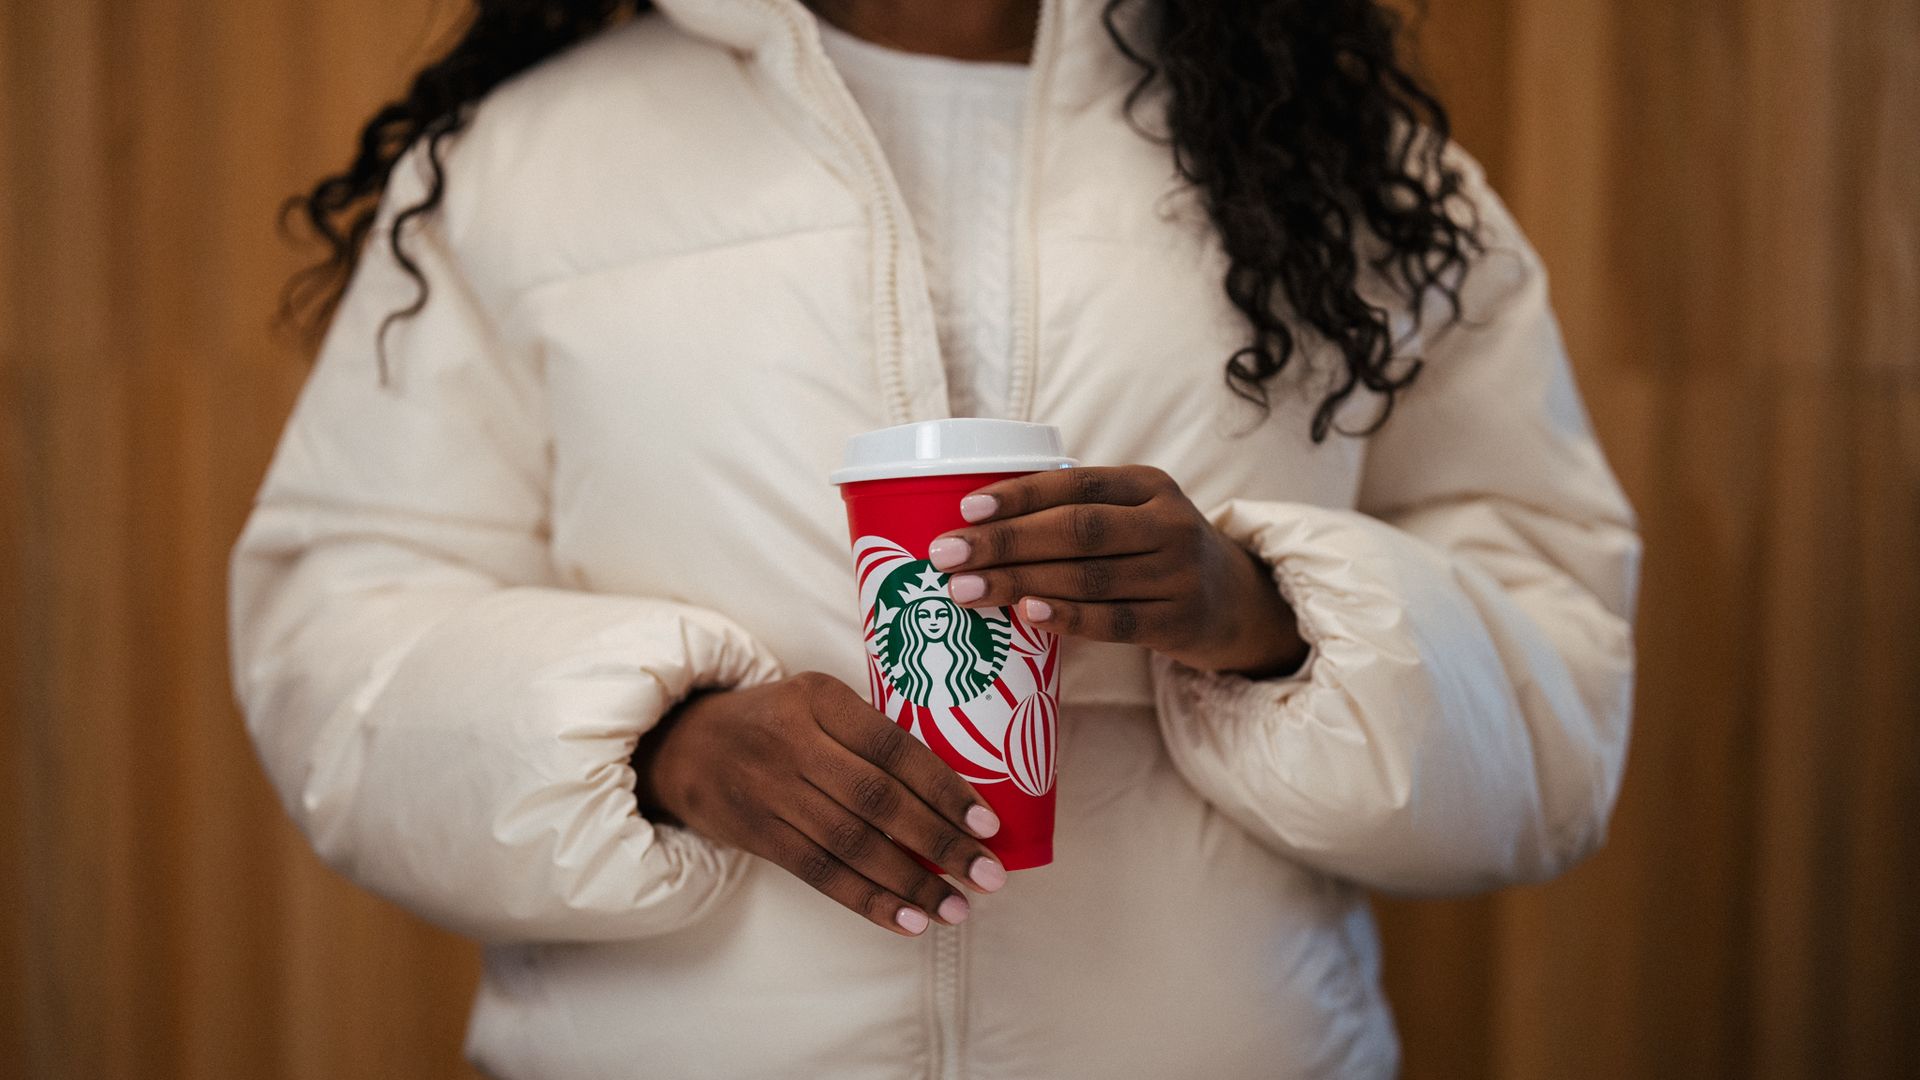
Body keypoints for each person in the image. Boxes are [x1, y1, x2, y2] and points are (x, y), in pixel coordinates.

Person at [228, 0, 1644, 1076]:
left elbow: (1557, 668)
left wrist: (1263, 613)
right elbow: (340, 633)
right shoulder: (526, 160)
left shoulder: (1341, 167)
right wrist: (662, 746)